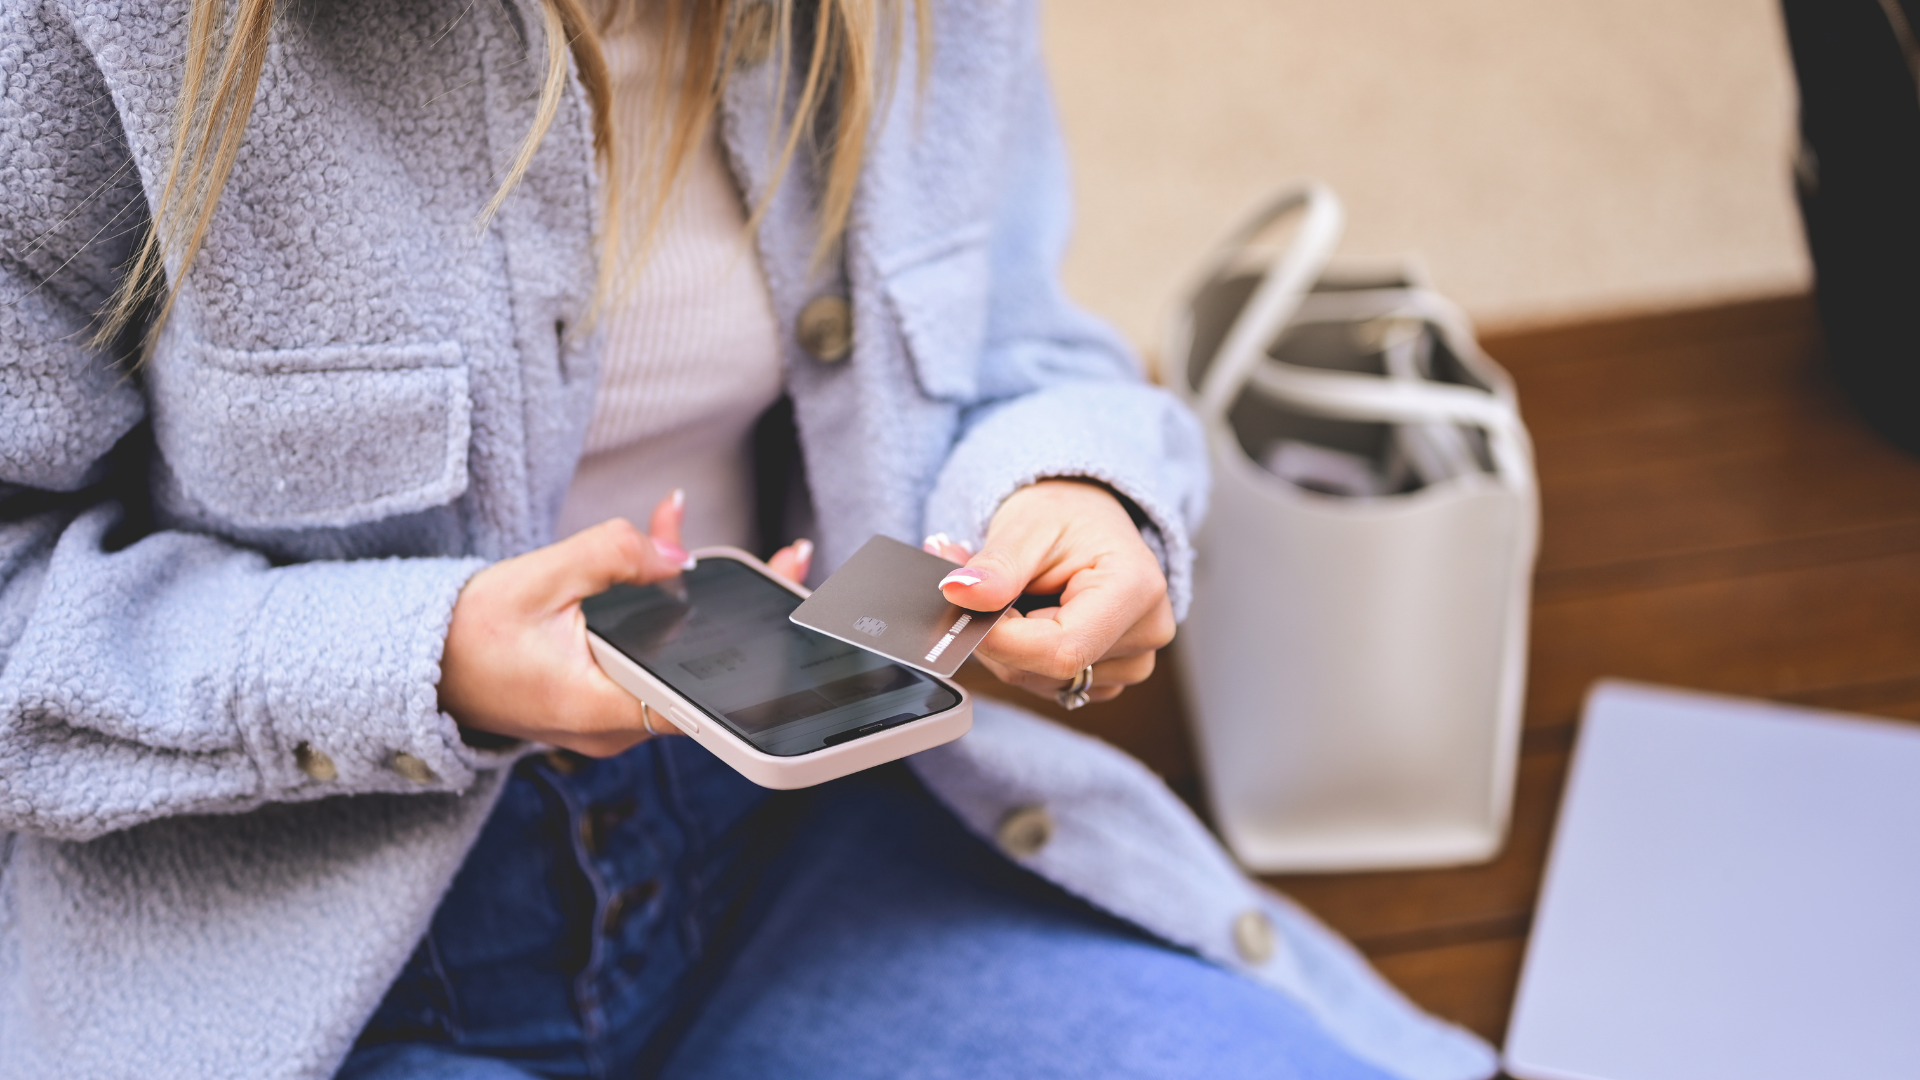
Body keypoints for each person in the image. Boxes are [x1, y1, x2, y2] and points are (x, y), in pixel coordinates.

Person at [0, 1, 1495, 1077]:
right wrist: (425, 666)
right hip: (318, 965)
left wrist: (1077, 488)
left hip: (809, 843)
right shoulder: (92, 36)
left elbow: (1016, 335)